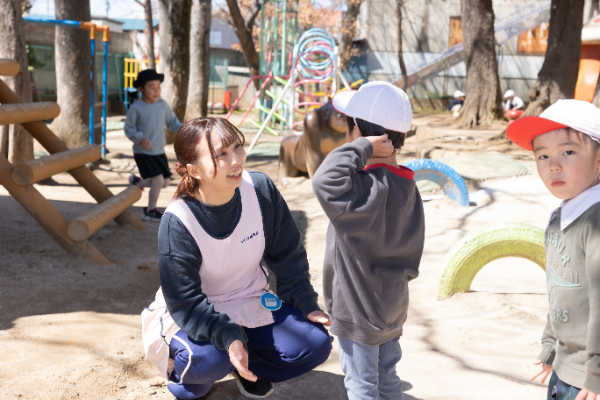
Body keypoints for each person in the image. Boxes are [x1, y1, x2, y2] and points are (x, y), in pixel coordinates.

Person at [141, 118, 333, 400]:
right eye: (221, 154)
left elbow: (288, 253)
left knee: (315, 344)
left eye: (237, 147)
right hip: (195, 312)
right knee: (208, 361)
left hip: (249, 295)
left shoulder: (260, 189)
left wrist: (304, 300)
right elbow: (185, 301)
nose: (236, 160)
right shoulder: (178, 221)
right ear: (193, 169)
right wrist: (227, 335)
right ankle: (192, 377)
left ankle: (247, 368)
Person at [312, 81, 425, 400]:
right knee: (387, 378)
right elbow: (414, 250)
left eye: (349, 130)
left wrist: (362, 148)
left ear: (358, 134)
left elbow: (323, 180)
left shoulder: (358, 192)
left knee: (361, 384)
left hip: (358, 311)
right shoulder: (408, 187)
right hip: (392, 306)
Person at [506, 99, 600, 400]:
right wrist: (549, 347)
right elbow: (559, 285)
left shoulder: (594, 221)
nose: (553, 165)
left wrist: (596, 373)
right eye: (542, 155)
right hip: (564, 366)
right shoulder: (561, 216)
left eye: (568, 151)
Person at [124, 69, 184, 221]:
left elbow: (173, 124)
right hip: (143, 152)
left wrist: (188, 127)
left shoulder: (162, 105)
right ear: (141, 89)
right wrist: (139, 138)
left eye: (158, 86)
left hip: (158, 150)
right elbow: (128, 128)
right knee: (157, 181)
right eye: (151, 86)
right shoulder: (136, 107)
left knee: (165, 182)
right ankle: (150, 211)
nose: (156, 90)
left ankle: (137, 183)